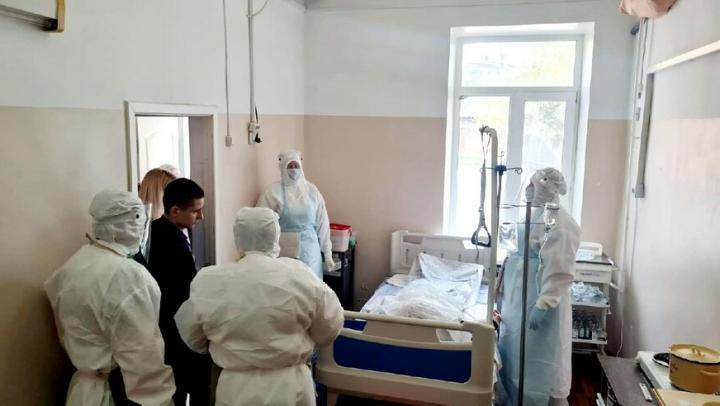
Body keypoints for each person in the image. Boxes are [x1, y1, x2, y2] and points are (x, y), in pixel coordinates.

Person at [174, 207, 344, 406]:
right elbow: (330, 327)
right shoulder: (301, 275)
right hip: (291, 387)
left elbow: (193, 337)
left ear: (238, 238)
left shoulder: (210, 280)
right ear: (275, 236)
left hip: (236, 389)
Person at [44, 190, 175, 406]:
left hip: (82, 391)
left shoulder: (71, 267)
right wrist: (161, 401)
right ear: (128, 223)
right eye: (139, 221)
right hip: (117, 393)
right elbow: (142, 355)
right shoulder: (127, 275)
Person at [497, 168, 580, 406]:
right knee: (518, 354)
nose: (527, 190)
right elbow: (520, 247)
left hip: (540, 299)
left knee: (540, 360)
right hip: (521, 298)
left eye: (532, 185)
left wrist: (545, 303)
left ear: (544, 187)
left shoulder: (559, 220)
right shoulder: (535, 213)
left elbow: (560, 267)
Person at [148, 178, 211, 406]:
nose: (201, 216)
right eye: (196, 211)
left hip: (167, 325)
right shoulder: (169, 242)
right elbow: (182, 290)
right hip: (175, 328)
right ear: (175, 211)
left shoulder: (156, 229)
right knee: (187, 386)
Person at [257, 150, 334, 279]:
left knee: (310, 285)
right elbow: (260, 222)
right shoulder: (272, 192)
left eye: (296, 166)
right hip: (284, 251)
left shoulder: (312, 191)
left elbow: (323, 224)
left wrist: (327, 253)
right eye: (290, 166)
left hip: (309, 251)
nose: (293, 169)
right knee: (286, 284)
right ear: (283, 168)